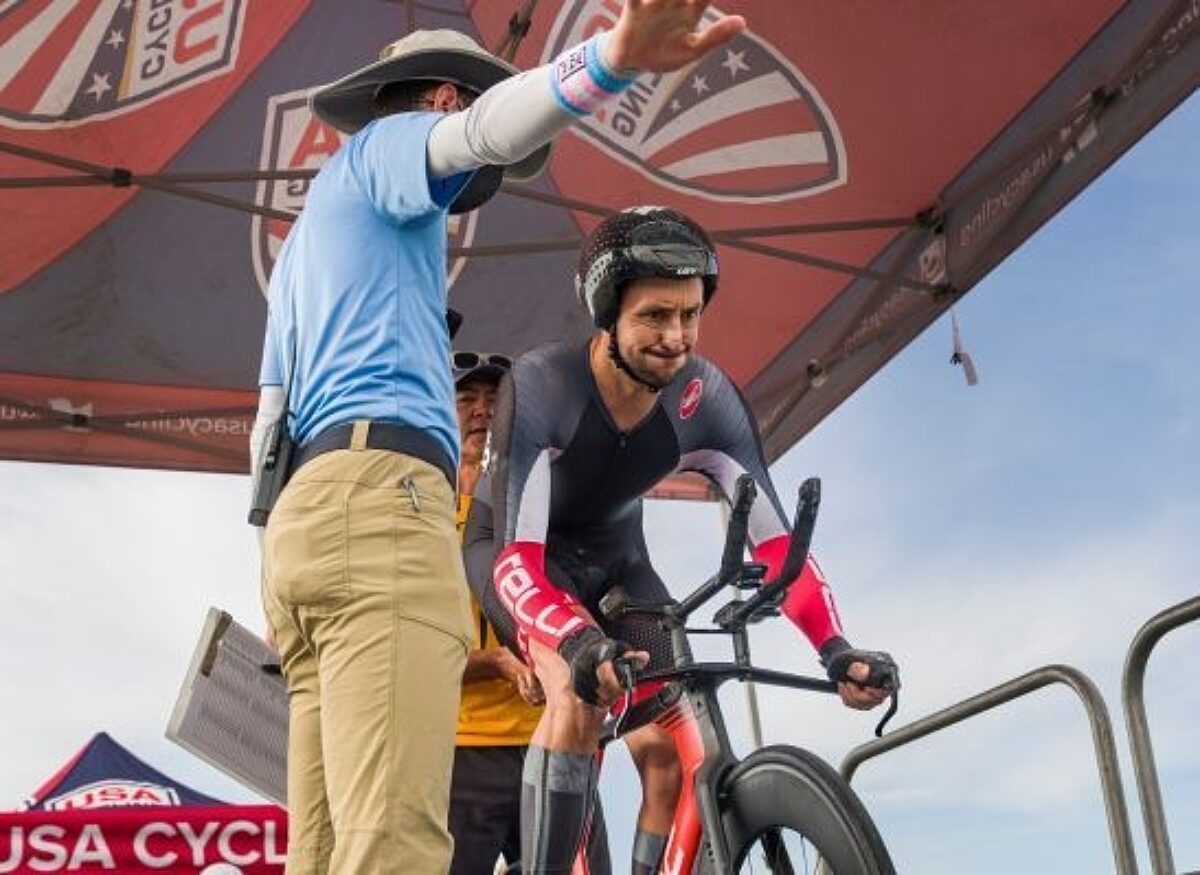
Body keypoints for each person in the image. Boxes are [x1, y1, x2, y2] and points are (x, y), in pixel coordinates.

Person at [249, 5, 747, 872]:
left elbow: (266, 425)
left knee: (323, 851)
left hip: (298, 526)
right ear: (439, 98)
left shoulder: (303, 247)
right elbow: (471, 134)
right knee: (396, 843)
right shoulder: (383, 152)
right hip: (379, 501)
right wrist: (614, 59)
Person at [463, 207, 899, 874]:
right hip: (520, 559)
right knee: (576, 694)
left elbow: (778, 545)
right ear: (607, 315)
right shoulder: (543, 384)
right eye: (655, 316)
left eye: (690, 314)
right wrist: (576, 643)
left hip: (618, 561)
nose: (677, 337)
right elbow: (518, 560)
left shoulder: (708, 396)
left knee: (672, 750)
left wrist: (835, 650)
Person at [448, 350, 543, 874]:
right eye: (468, 398)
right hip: (461, 751)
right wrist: (499, 663)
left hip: (551, 742)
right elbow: (408, 653)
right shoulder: (415, 512)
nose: (483, 411)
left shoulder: (536, 507)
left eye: (497, 399)